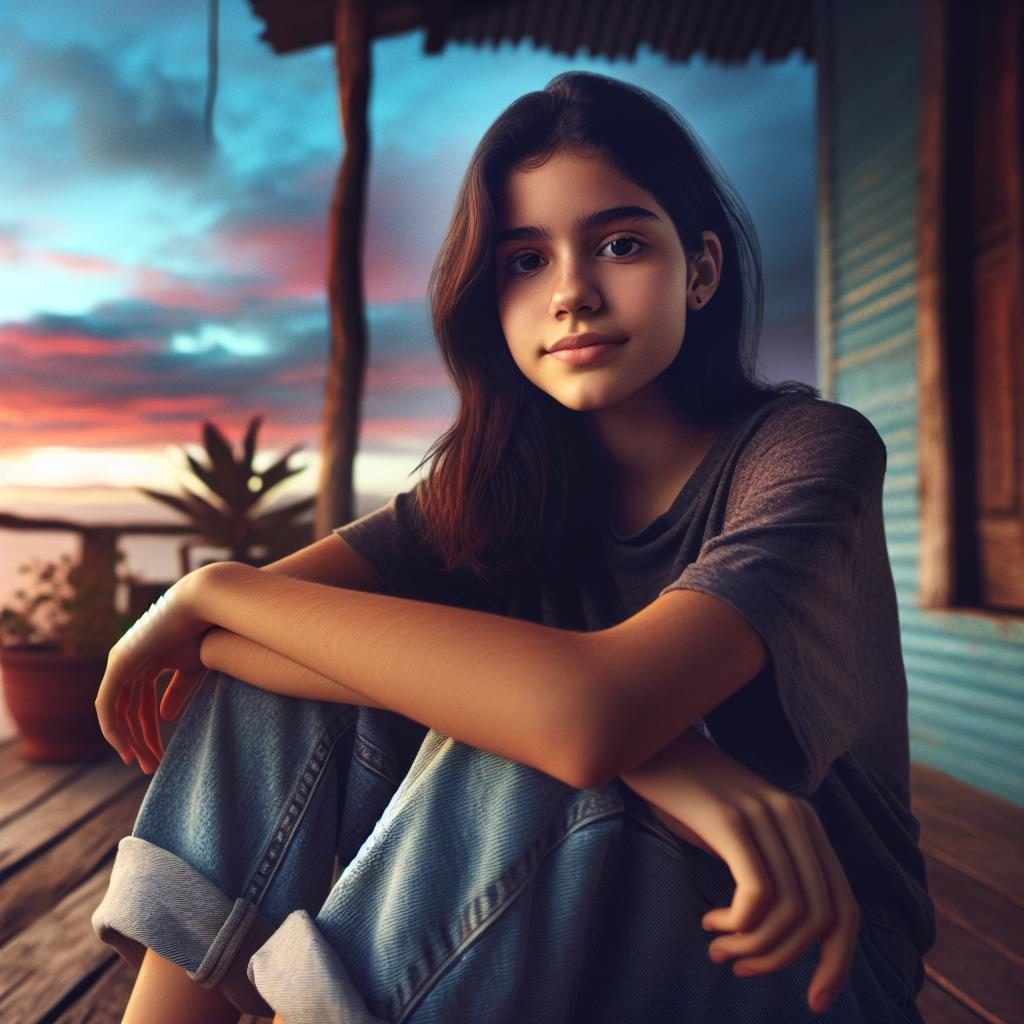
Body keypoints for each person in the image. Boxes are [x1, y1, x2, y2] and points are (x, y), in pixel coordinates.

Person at [91, 71, 934, 1023]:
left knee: (520, 753)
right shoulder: (497, 487)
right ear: (488, 296)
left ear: (700, 269)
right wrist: (655, 757)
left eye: (619, 245)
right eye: (525, 261)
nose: (571, 293)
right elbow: (245, 650)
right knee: (315, 697)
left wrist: (216, 585)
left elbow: (585, 718)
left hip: (807, 960)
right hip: (577, 918)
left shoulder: (807, 453)